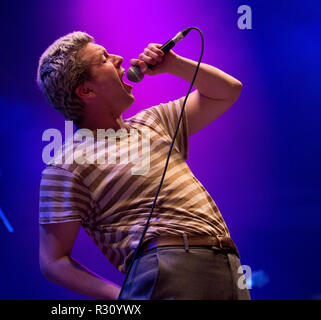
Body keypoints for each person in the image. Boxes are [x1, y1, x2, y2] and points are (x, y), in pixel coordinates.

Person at [37, 31, 251, 300]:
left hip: (226, 260)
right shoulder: (67, 164)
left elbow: (228, 91)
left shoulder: (153, 121)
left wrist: (174, 64)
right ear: (86, 90)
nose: (118, 59)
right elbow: (53, 261)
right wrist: (124, 297)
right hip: (169, 266)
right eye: (104, 58)